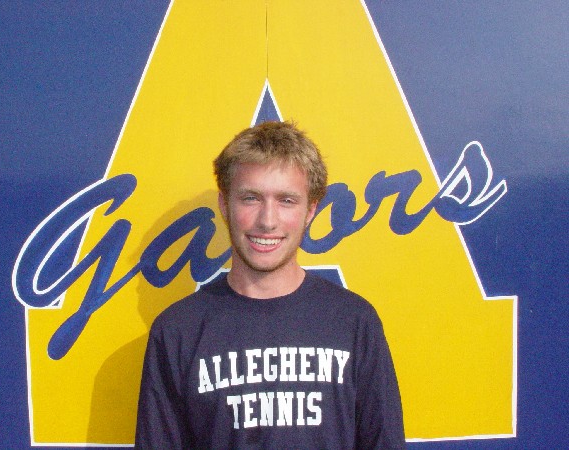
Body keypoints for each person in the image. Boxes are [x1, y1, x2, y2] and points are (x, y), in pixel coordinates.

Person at [135, 121, 405, 449]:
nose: (267, 220)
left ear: (310, 209)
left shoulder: (355, 322)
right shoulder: (177, 331)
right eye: (250, 198)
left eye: (286, 200)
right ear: (224, 205)